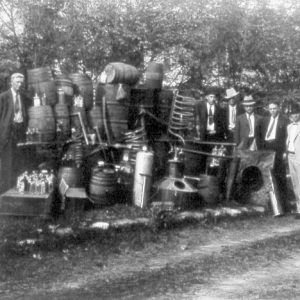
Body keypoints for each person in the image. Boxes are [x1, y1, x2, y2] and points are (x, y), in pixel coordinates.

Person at [0, 73, 29, 193]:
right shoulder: (3, 97)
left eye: (21, 82)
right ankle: (5, 193)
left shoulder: (23, 97)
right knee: (7, 163)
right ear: (11, 82)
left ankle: (16, 191)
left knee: (18, 162)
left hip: (20, 133)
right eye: (17, 82)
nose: (19, 84)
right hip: (7, 134)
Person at [262, 100, 289, 211]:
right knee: (269, 177)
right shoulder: (265, 120)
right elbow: (260, 136)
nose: (272, 110)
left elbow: (287, 138)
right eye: (271, 108)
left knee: (280, 176)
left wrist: (285, 152)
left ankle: (284, 205)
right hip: (267, 149)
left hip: (278, 150)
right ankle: (272, 205)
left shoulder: (285, 121)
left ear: (278, 108)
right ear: (268, 109)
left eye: (274, 108)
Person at [286, 103, 300, 218]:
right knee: (295, 182)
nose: (294, 116)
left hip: (299, 156)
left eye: (296, 114)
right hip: (290, 156)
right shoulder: (289, 127)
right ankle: (298, 209)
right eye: (292, 114)